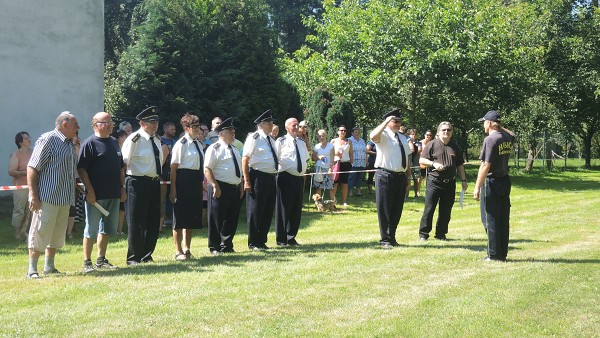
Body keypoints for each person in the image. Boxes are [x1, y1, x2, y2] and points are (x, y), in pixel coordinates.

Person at [26, 112, 80, 279]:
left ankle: (49, 266)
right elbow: (33, 167)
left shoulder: (70, 143)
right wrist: (34, 195)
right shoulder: (48, 139)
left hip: (64, 197)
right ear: (65, 125)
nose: (78, 128)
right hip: (46, 197)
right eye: (75, 124)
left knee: (56, 234)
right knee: (40, 231)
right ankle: (32, 270)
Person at [77, 112, 125, 273]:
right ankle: (87, 263)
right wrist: (89, 190)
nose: (111, 125)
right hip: (95, 197)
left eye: (111, 122)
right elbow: (82, 169)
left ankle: (101, 259)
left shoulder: (113, 142)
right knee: (91, 230)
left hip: (113, 194)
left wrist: (122, 187)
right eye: (106, 122)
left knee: (107, 230)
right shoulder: (89, 143)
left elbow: (120, 167)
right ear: (96, 124)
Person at [122, 106, 163, 265]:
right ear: (142, 123)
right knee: (136, 221)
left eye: (157, 122)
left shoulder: (157, 139)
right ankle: (133, 257)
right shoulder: (134, 139)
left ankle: (147, 254)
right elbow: (124, 163)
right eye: (152, 122)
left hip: (153, 182)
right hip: (137, 182)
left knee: (153, 220)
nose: (155, 125)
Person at [473, 110, 516, 262]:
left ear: (489, 123)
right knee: (503, 218)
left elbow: (485, 165)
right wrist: (500, 126)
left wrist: (477, 187)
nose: (483, 125)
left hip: (492, 183)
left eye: (484, 122)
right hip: (504, 181)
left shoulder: (490, 140)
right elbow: (513, 134)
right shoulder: (506, 137)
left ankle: (493, 255)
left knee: (490, 219)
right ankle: (502, 254)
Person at [418, 122, 468, 241]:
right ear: (438, 132)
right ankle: (423, 234)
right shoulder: (431, 144)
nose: (446, 132)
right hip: (434, 181)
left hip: (450, 183)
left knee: (446, 210)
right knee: (429, 209)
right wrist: (433, 163)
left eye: (449, 130)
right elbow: (422, 160)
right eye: (444, 130)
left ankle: (441, 234)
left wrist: (464, 180)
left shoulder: (455, 146)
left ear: (451, 132)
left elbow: (460, 165)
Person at [369, 109, 411, 248]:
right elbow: (372, 136)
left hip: (400, 176)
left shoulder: (402, 137)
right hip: (385, 175)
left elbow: (407, 157)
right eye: (395, 121)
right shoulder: (384, 135)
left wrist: (408, 176)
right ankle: (385, 239)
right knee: (385, 209)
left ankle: (392, 237)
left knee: (396, 209)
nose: (398, 124)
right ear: (388, 122)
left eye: (400, 121)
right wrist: (386, 121)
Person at [204, 117, 243, 254]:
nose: (233, 134)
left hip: (234, 187)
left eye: (233, 132)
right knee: (216, 218)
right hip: (220, 186)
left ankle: (227, 245)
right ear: (221, 134)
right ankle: (214, 246)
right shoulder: (214, 148)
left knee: (231, 217)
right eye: (230, 132)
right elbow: (207, 169)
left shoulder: (235, 149)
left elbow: (239, 169)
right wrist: (214, 185)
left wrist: (241, 185)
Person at [169, 113, 205, 260]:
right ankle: (178, 251)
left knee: (190, 216)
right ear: (186, 127)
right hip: (183, 181)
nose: (198, 129)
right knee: (180, 216)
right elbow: (173, 168)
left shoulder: (197, 143)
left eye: (198, 126)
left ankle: (187, 248)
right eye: (195, 127)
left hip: (195, 181)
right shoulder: (181, 144)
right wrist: (173, 189)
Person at [242, 110, 279, 251]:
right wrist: (247, 180)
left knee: (268, 209)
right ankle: (253, 242)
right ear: (261, 124)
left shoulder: (270, 139)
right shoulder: (255, 137)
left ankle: (262, 240)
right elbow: (245, 158)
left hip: (270, 177)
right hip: (258, 176)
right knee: (256, 210)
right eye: (269, 123)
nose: (272, 125)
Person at [275, 118, 309, 246]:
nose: (296, 128)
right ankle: (281, 239)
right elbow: (276, 159)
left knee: (296, 209)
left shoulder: (301, 142)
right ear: (286, 127)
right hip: (285, 177)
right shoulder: (281, 141)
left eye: (298, 125)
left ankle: (291, 237)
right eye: (294, 125)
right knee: (284, 209)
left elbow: (305, 159)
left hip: (298, 178)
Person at [9, 131, 32, 241]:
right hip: (20, 187)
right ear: (20, 142)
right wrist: (27, 172)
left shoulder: (33, 153)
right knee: (19, 210)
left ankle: (27, 232)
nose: (29, 139)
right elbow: (11, 171)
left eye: (28, 137)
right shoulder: (16, 154)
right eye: (26, 138)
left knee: (31, 210)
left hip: (33, 186)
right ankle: (17, 234)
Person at [330, 125, 353, 206]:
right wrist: (335, 154)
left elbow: (351, 153)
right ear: (338, 132)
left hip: (346, 163)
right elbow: (329, 152)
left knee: (345, 183)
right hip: (336, 163)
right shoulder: (333, 141)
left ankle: (344, 201)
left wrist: (351, 163)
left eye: (344, 130)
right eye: (341, 130)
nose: (343, 132)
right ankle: (332, 201)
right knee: (335, 182)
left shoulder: (349, 141)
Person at [160, 121, 177, 231]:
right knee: (162, 199)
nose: (174, 131)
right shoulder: (160, 141)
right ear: (165, 129)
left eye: (174, 129)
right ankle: (162, 221)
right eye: (172, 129)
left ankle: (172, 218)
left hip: (172, 174)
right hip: (162, 175)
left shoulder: (175, 142)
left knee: (172, 197)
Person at [312, 129, 335, 201]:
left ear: (326, 136)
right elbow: (313, 158)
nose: (321, 137)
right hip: (319, 169)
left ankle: (333, 204)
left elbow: (332, 159)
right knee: (318, 186)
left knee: (330, 186)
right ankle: (319, 203)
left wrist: (330, 169)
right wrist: (318, 157)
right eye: (319, 136)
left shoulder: (331, 146)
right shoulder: (316, 146)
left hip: (328, 168)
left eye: (323, 136)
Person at [113, 129, 128, 235]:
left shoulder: (127, 148)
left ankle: (119, 229)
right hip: (114, 180)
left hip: (125, 179)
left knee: (122, 206)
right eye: (122, 137)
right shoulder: (114, 149)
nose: (125, 138)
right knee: (114, 206)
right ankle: (112, 229)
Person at [348, 127, 367, 197]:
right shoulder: (349, 140)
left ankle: (358, 190)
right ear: (352, 133)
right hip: (354, 162)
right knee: (352, 177)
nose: (357, 134)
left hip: (362, 162)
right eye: (356, 132)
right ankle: (350, 191)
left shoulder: (362, 140)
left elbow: (365, 151)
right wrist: (350, 160)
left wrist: (366, 161)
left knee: (360, 177)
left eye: (358, 132)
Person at [409, 129, 423, 197]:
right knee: (407, 179)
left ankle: (416, 193)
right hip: (408, 163)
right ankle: (406, 195)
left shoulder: (419, 143)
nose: (414, 135)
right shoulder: (406, 142)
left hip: (416, 163)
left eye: (415, 134)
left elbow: (419, 150)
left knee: (416, 179)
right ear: (409, 135)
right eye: (412, 134)